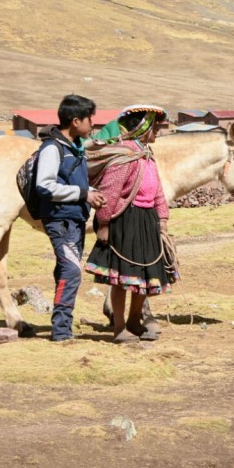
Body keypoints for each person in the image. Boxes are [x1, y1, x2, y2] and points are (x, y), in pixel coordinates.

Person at [84, 104, 179, 344]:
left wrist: (163, 218)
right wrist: (104, 223)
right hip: (127, 220)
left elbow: (157, 190)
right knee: (122, 279)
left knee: (145, 278)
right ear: (142, 127)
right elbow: (110, 191)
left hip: (147, 220)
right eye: (155, 127)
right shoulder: (125, 156)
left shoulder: (146, 155)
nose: (158, 131)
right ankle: (119, 327)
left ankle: (135, 320)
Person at [36, 94, 106, 342]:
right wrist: (83, 194)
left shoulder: (72, 149)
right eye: (90, 120)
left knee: (65, 271)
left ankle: (63, 326)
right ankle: (61, 330)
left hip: (73, 220)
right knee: (72, 271)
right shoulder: (52, 149)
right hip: (59, 221)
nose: (93, 126)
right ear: (76, 121)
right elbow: (44, 186)